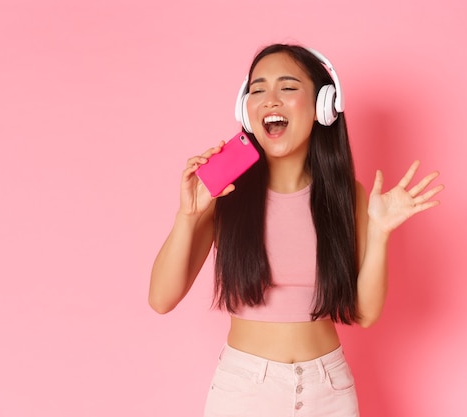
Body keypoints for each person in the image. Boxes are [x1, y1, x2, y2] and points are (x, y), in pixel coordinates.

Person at [149, 43, 444, 417]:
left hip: (329, 391)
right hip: (243, 392)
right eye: (258, 90)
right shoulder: (225, 193)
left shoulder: (345, 196)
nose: (270, 99)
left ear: (324, 105)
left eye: (287, 88)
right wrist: (187, 215)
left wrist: (381, 232)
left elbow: (366, 314)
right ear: (245, 108)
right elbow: (161, 299)